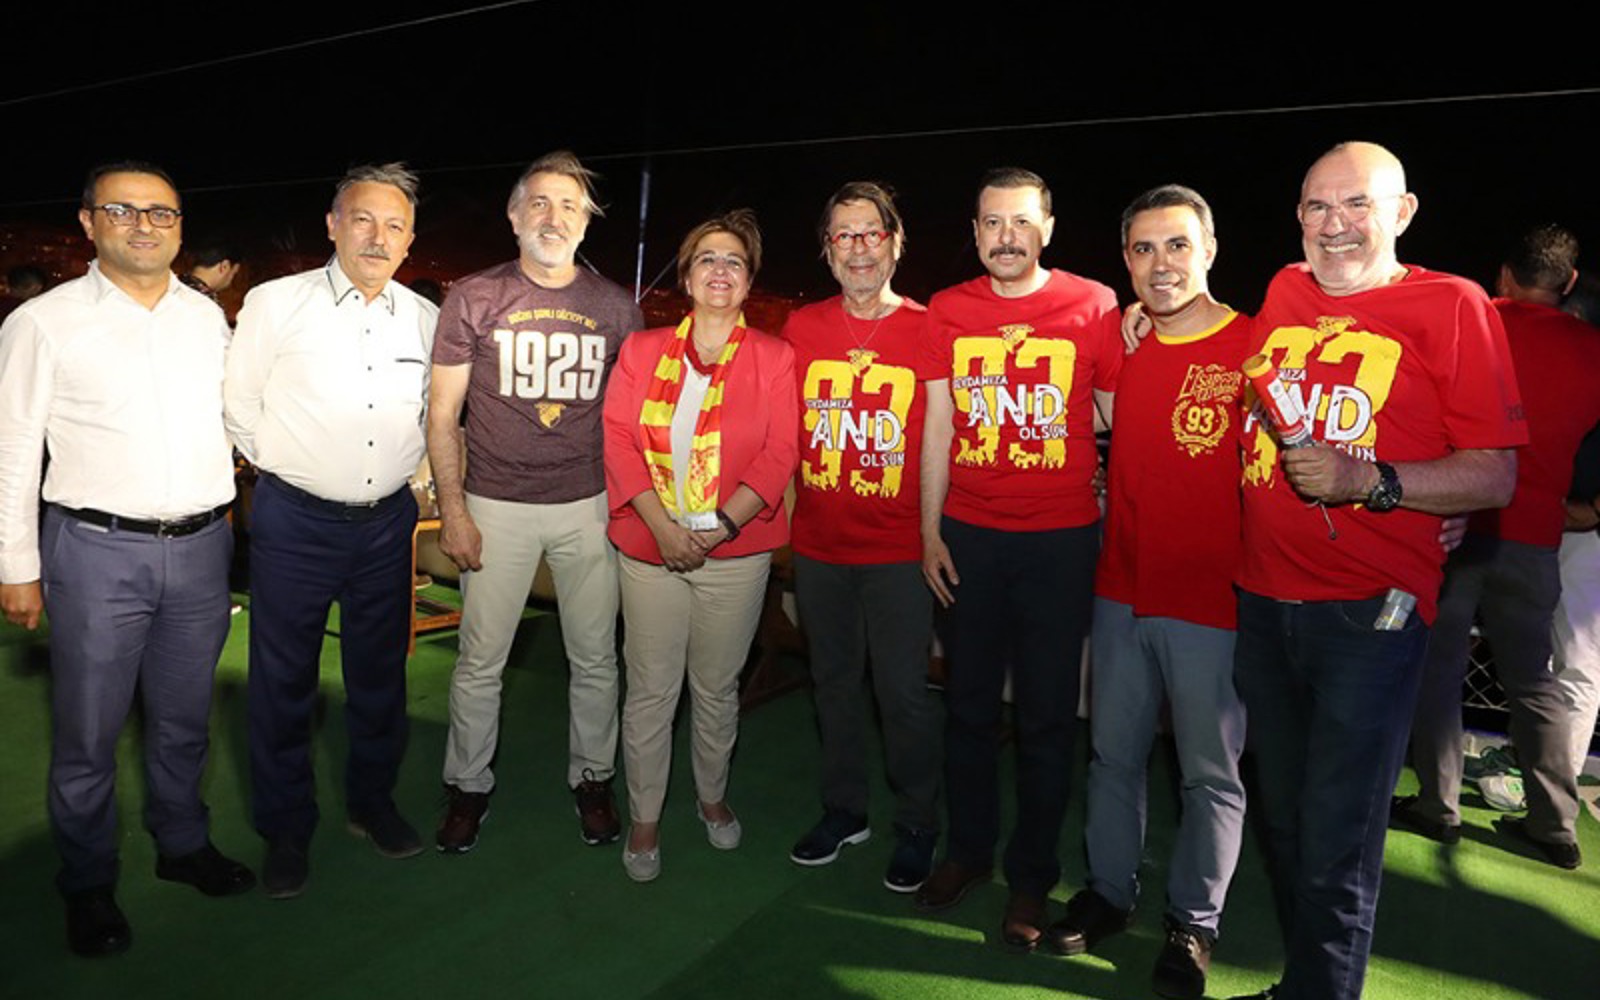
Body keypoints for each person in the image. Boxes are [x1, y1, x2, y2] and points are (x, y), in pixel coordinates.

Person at [1228, 142, 1524, 1000]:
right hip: (1262, 601)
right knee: (1284, 819)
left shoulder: (1455, 304)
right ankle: (1303, 984)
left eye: (1356, 203)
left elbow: (1494, 474)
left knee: (1337, 836)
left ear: (1402, 212)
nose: (1335, 224)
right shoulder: (1284, 290)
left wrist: (1377, 482)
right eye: (1317, 206)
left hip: (1369, 614)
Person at [0, 161, 253, 957]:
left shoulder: (206, 319)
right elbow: (13, 451)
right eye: (123, 210)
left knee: (184, 720)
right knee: (89, 733)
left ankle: (183, 844)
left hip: (203, 550)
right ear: (87, 222)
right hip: (94, 552)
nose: (144, 226)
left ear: (180, 227)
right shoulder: (43, 322)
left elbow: (239, 422)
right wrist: (15, 565)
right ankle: (87, 880)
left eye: (161, 213)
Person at [1047, 185, 1249, 1000]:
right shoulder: (1119, 339)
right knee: (1112, 756)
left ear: (1210, 250)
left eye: (1176, 245)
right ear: (1126, 260)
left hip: (1212, 600)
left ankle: (1194, 923)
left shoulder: (1256, 345)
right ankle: (1109, 892)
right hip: (1121, 588)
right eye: (1142, 249)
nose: (1160, 264)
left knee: (1209, 774)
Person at [915, 167, 1120, 950]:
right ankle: (967, 853)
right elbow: (937, 427)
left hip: (1060, 543)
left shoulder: (1094, 304)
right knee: (967, 707)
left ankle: (1032, 875)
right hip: (969, 535)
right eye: (993, 223)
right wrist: (929, 532)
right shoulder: (948, 308)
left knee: (1046, 718)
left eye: (1022, 221)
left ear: (1048, 229)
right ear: (975, 233)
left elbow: (1115, 416)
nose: (1008, 237)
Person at [224, 163, 438, 898]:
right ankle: (286, 828)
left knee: (380, 678)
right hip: (297, 520)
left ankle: (372, 803)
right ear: (332, 224)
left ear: (410, 241)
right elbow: (239, 403)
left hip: (388, 524)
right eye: (363, 219)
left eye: (395, 225)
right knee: (283, 682)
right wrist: (290, 467)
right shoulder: (276, 303)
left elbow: (430, 415)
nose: (378, 237)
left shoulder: (424, 318)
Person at [429, 151, 643, 853]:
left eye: (570, 206)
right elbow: (442, 414)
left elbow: (633, 418)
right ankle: (467, 785)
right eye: (541, 203)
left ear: (587, 222)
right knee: (479, 661)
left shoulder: (618, 308)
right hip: (495, 505)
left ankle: (593, 778)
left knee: (596, 658)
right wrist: (455, 512)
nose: (555, 218)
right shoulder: (474, 297)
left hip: (588, 505)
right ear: (515, 214)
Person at [602, 209, 798, 882]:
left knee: (715, 689)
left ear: (748, 281)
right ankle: (645, 815)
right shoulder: (642, 351)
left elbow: (780, 454)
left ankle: (711, 796)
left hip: (734, 552)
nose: (720, 269)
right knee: (651, 690)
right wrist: (663, 528)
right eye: (707, 258)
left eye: (734, 261)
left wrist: (720, 527)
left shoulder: (774, 358)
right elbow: (618, 440)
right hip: (649, 546)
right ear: (686, 277)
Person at [1397, 223, 1600, 870]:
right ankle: (1554, 824)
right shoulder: (1592, 348)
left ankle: (1439, 805)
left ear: (1505, 274)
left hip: (1458, 526)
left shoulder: (1477, 320)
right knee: (1534, 681)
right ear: (1569, 282)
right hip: (1536, 538)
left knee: (1438, 671)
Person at [782, 182, 942, 892]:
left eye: (870, 233)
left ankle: (918, 824)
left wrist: (933, 532)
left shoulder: (928, 327)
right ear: (827, 250)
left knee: (903, 694)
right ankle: (844, 810)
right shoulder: (802, 326)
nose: (858, 249)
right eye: (843, 235)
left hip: (900, 551)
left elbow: (943, 438)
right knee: (833, 686)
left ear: (895, 242)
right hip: (821, 548)